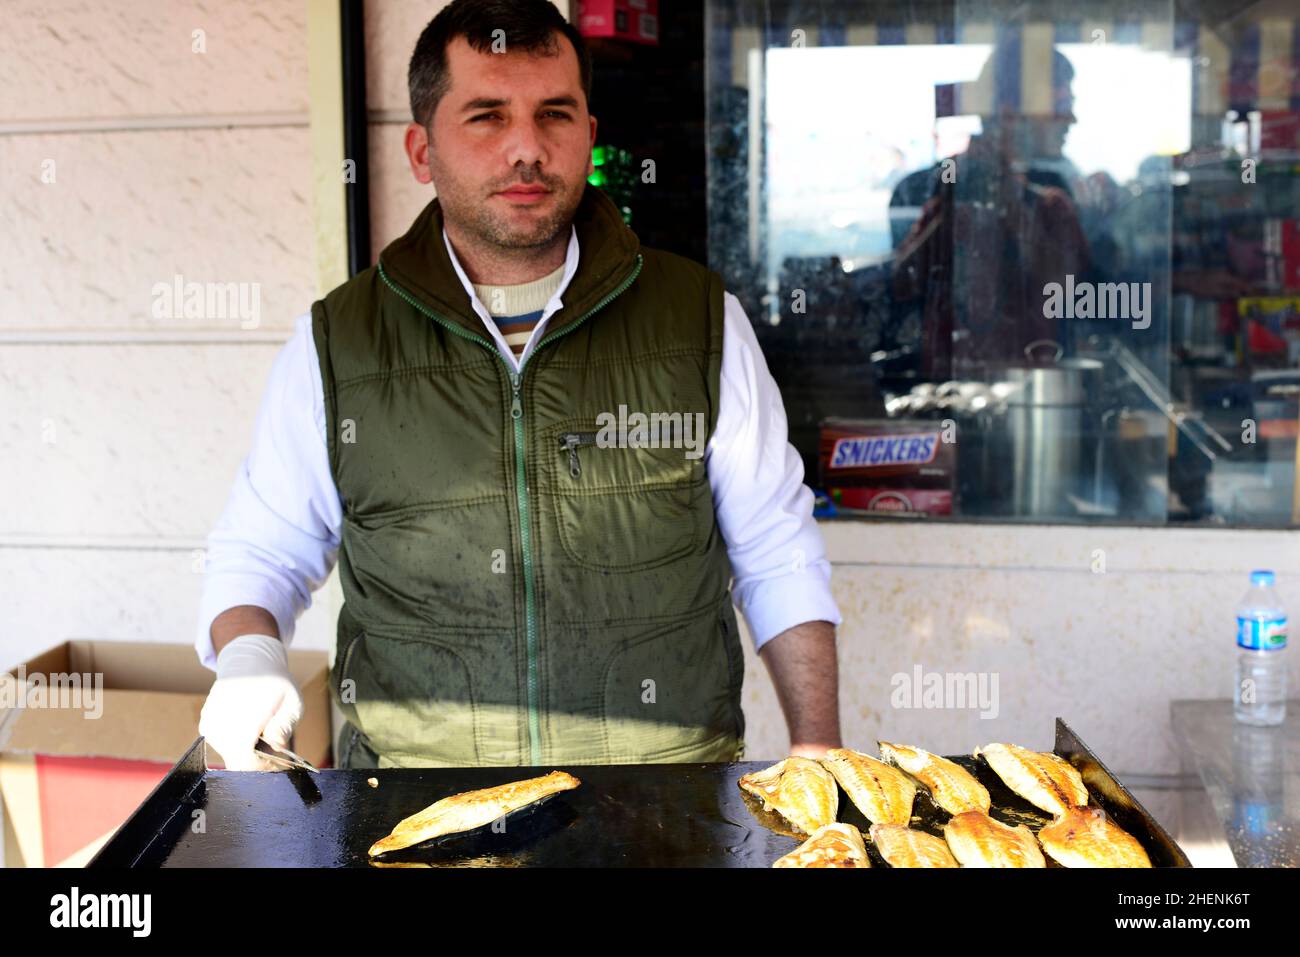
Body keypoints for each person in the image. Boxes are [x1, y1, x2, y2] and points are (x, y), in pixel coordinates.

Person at [195, 0, 842, 770]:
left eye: (555, 114)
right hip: (415, 812)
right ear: (421, 149)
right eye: (487, 116)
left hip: (667, 808)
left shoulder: (698, 321)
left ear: (589, 136)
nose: (527, 148)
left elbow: (775, 549)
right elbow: (261, 552)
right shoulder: (339, 343)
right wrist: (247, 656)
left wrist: (818, 750)